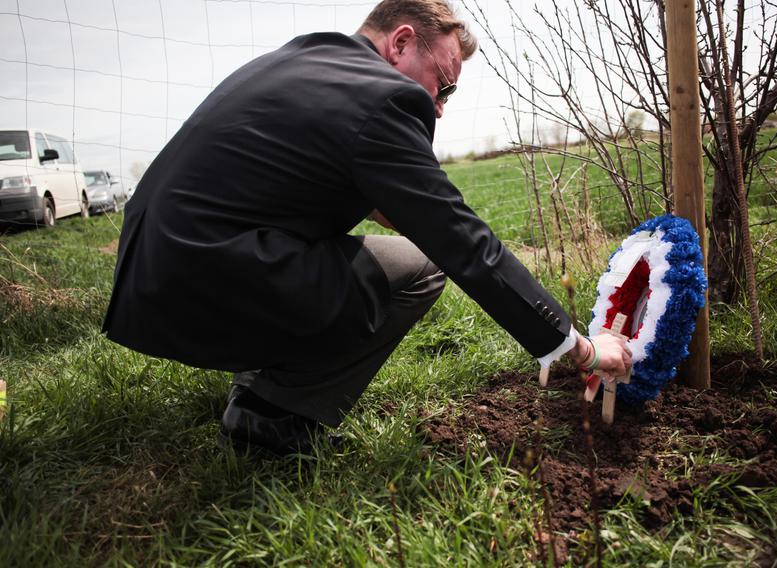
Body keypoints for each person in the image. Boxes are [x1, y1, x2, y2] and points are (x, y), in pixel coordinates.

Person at [103, 0, 631, 457]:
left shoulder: (304, 59)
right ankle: (274, 416)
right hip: (211, 281)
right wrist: (578, 348)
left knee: (391, 247)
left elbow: (347, 193)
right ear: (402, 41)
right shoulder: (385, 99)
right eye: (443, 87)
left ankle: (263, 377)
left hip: (147, 280)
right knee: (422, 267)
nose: (440, 109)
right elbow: (458, 242)